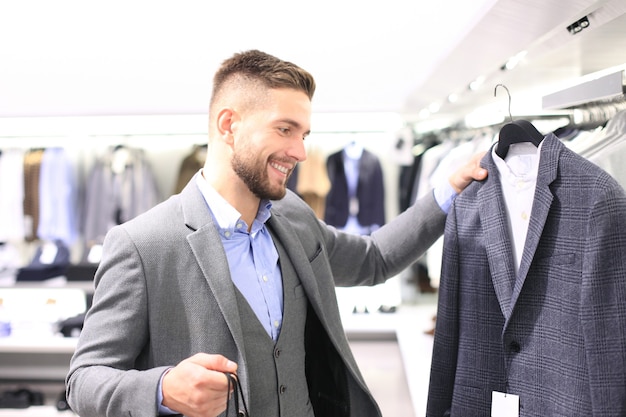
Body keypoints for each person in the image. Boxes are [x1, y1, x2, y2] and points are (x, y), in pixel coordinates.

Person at [65, 49, 487, 417]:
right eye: (285, 129)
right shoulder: (143, 245)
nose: (300, 152)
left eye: (303, 135)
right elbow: (83, 381)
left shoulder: (294, 218)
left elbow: (373, 259)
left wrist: (449, 189)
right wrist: (162, 388)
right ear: (228, 125)